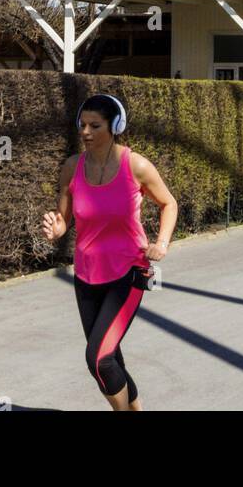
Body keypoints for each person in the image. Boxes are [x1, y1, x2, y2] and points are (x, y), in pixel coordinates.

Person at [42, 93, 178, 411]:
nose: (85, 132)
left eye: (95, 125)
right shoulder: (72, 168)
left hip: (128, 272)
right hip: (87, 274)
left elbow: (168, 203)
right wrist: (55, 228)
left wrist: (162, 244)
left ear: (114, 126)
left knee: (98, 358)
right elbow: (64, 220)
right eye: (82, 124)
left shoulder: (136, 165)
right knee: (110, 356)